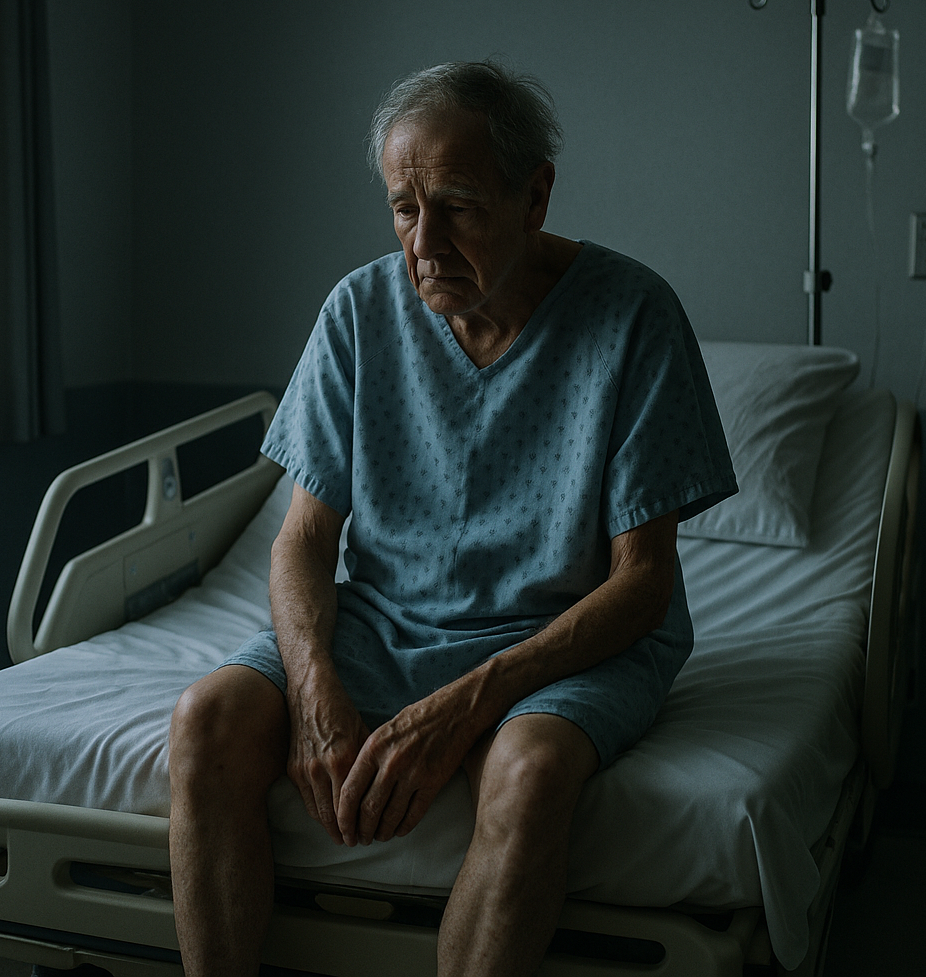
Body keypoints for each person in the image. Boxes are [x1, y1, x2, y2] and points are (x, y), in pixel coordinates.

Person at [167, 60, 736, 977]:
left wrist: (469, 704)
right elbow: (303, 540)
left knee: (532, 772)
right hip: (387, 622)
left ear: (535, 195)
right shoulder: (360, 310)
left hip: (565, 635)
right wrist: (315, 699)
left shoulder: (633, 316)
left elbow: (642, 583)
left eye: (460, 206)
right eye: (403, 207)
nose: (423, 243)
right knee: (206, 719)